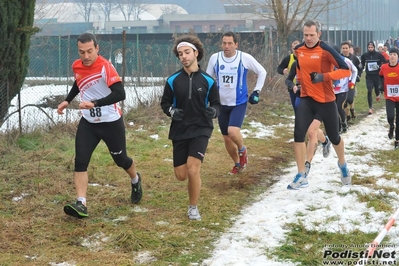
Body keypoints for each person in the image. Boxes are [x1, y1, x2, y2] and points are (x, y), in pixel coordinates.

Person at [57, 33, 142, 218]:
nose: (86, 56)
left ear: (97, 48)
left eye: (89, 51)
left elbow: (120, 93)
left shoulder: (105, 66)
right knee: (80, 161)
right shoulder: (77, 65)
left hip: (111, 123)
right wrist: (67, 100)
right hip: (88, 123)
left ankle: (135, 179)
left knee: (122, 161)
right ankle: (81, 204)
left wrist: (94, 103)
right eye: (81, 52)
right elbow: (79, 82)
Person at [161, 34, 221, 220]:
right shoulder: (172, 81)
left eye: (187, 52)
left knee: (193, 169)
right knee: (181, 175)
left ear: (196, 53)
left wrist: (213, 111)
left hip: (201, 129)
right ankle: (191, 191)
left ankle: (193, 208)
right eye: (180, 54)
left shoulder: (208, 81)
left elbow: (217, 104)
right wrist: (172, 111)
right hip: (179, 130)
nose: (184, 56)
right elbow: (165, 103)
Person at [287, 19, 352, 190]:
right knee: (298, 133)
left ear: (319, 34)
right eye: (305, 35)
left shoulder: (326, 50)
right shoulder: (299, 50)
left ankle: (343, 165)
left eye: (311, 35)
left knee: (335, 136)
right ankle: (301, 175)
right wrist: (299, 82)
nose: (308, 38)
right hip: (307, 99)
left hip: (326, 100)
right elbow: (300, 69)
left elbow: (346, 70)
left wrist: (324, 77)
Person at [206, 31, 267, 174]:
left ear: (236, 44)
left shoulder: (243, 58)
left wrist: (256, 91)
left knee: (233, 131)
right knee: (227, 139)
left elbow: (262, 71)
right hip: (221, 104)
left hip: (238, 102)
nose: (226, 46)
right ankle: (238, 164)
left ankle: (242, 150)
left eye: (230, 43)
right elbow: (208, 79)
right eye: (224, 43)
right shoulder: (215, 58)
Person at [285, 60, 332, 177]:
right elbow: (288, 79)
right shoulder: (297, 64)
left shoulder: (321, 62)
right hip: (304, 102)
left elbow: (332, 79)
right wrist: (293, 86)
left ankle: (307, 164)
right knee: (310, 129)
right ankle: (325, 141)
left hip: (321, 101)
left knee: (311, 132)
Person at [331, 45, 358, 133]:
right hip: (331, 90)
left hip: (343, 89)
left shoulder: (345, 61)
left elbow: (355, 70)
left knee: (339, 107)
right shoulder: (327, 62)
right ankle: (337, 127)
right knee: (333, 109)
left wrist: (352, 81)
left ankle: (343, 122)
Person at [379, 47, 399, 149]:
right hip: (389, 96)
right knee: (390, 117)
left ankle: (397, 140)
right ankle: (391, 126)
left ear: (397, 57)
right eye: (391, 54)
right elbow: (381, 76)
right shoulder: (384, 67)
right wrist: (381, 85)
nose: (392, 56)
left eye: (395, 54)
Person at [361, 41, 387, 114]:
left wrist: (379, 66)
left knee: (377, 88)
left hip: (377, 75)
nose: (370, 49)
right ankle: (370, 108)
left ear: (374, 47)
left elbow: (385, 63)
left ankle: (378, 94)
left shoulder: (378, 55)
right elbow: (362, 64)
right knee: (369, 90)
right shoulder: (365, 55)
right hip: (369, 76)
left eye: (372, 47)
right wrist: (359, 68)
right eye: (369, 47)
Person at [277, 40, 301, 112]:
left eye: (298, 48)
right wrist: (283, 71)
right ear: (291, 49)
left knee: (300, 107)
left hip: (301, 87)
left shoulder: (304, 58)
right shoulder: (288, 58)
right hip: (292, 87)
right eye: (294, 49)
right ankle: (298, 121)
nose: (296, 50)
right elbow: (279, 68)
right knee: (296, 108)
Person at [342, 42, 363, 123]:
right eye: (343, 48)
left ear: (349, 48)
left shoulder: (354, 58)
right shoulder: (339, 57)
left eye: (346, 48)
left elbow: (360, 67)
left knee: (350, 98)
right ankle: (347, 116)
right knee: (344, 100)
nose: (345, 50)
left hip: (351, 81)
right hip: (342, 82)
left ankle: (352, 109)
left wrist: (359, 76)